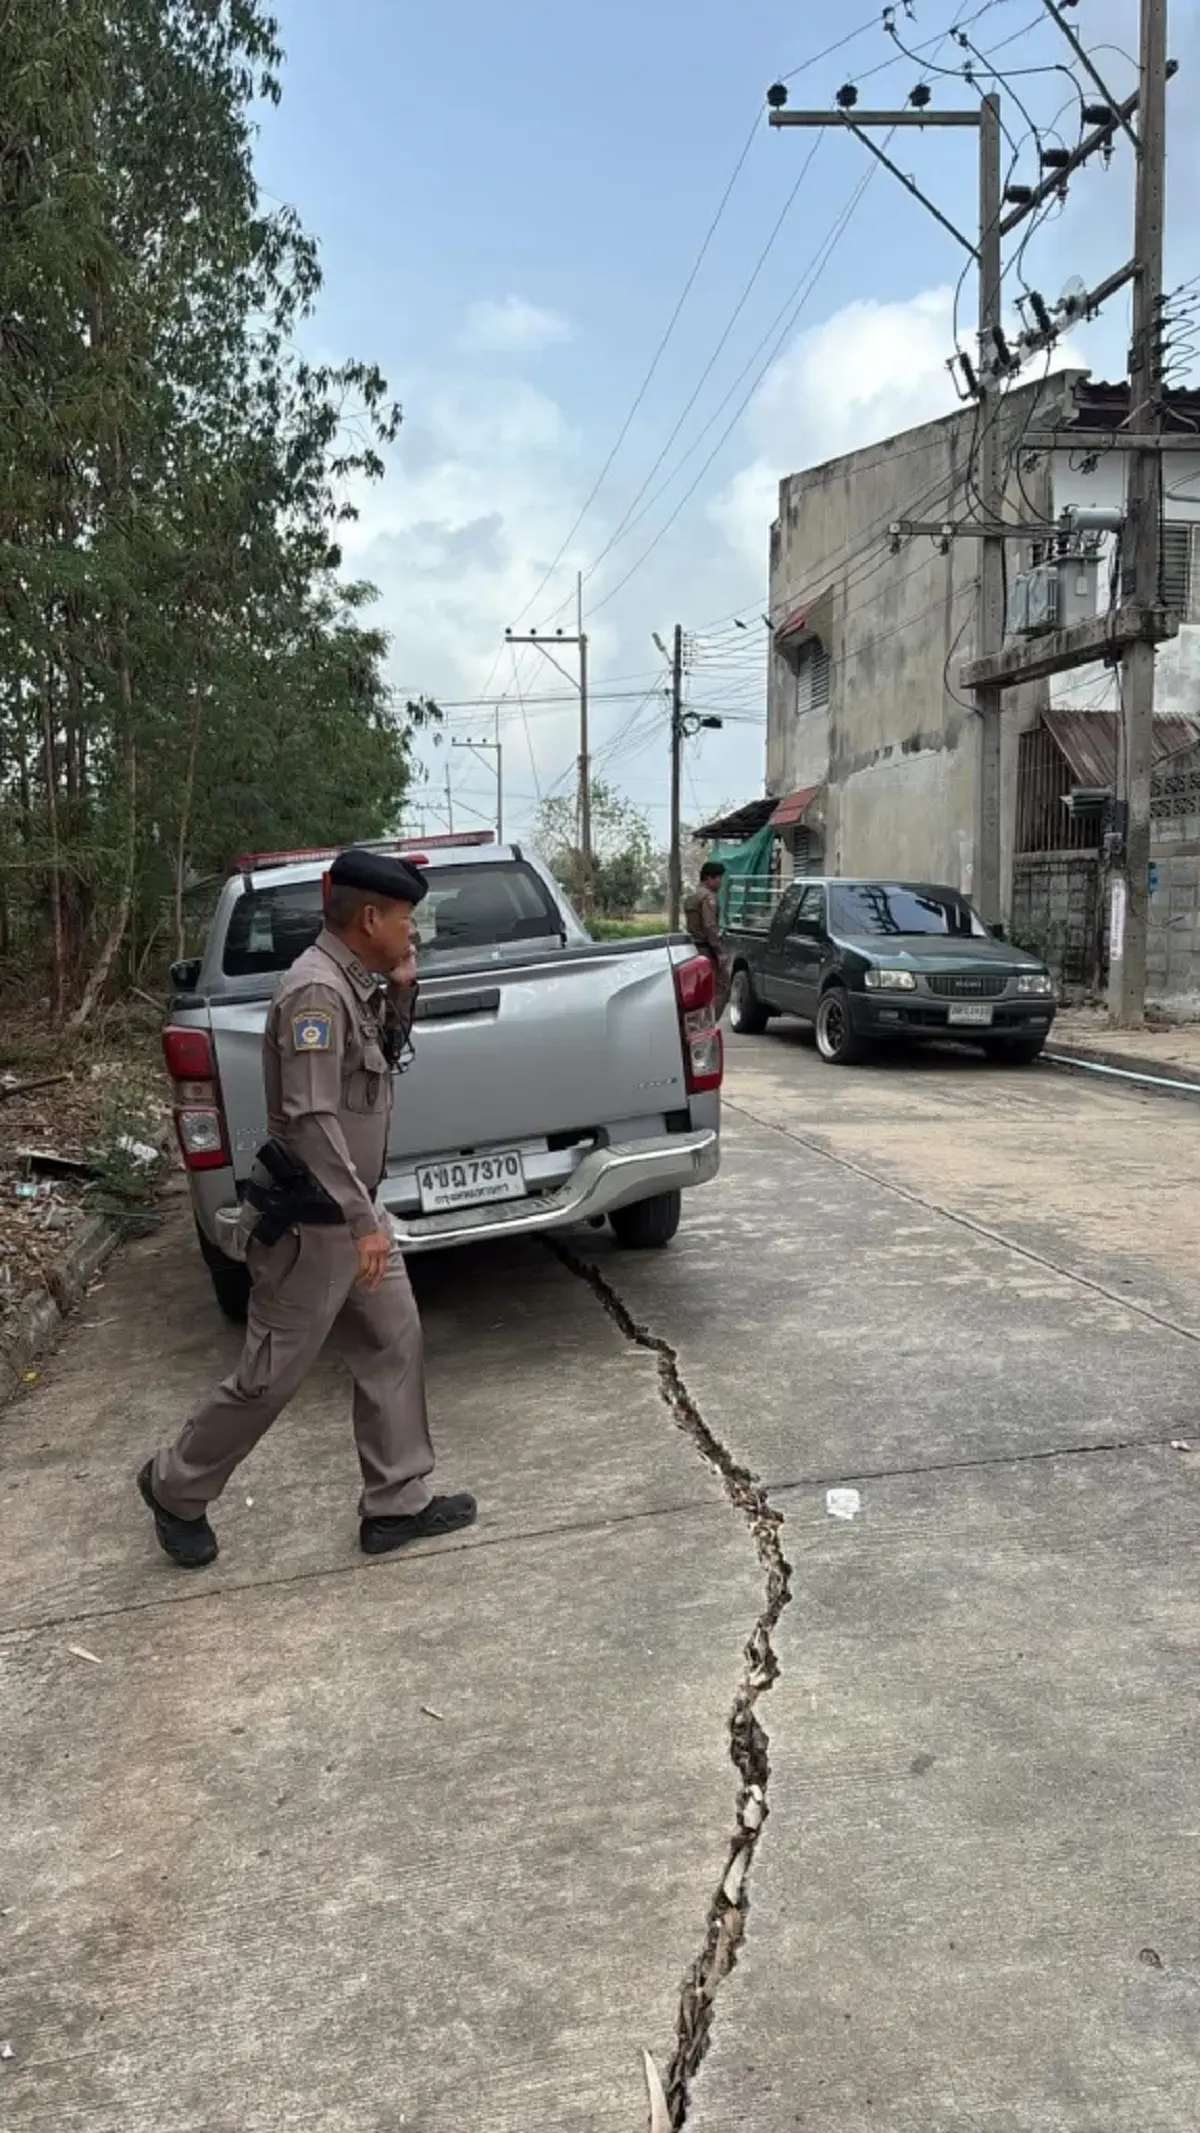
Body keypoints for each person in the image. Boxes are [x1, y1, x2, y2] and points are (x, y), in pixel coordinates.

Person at [138, 847, 477, 1570]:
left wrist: (404, 989)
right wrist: (363, 1220)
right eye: (407, 921)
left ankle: (396, 1502)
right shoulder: (315, 995)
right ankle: (174, 1486)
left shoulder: (360, 983)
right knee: (270, 1378)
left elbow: (383, 1060)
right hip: (313, 1227)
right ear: (370, 916)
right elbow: (313, 1117)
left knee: (394, 1340)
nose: (413, 933)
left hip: (350, 1220)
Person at [684, 859, 731, 1021]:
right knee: (723, 985)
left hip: (693, 949)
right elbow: (710, 926)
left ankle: (695, 1021)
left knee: (698, 989)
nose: (720, 882)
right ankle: (707, 1023)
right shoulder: (708, 898)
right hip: (707, 949)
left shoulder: (693, 896)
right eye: (719, 878)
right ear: (709, 878)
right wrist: (719, 952)